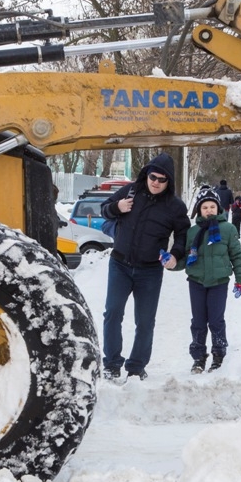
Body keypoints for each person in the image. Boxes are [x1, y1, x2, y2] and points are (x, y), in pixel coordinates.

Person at [99, 153, 189, 381]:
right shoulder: (130, 191)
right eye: (153, 176)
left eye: (162, 179)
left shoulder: (174, 206)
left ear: (169, 182)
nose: (156, 182)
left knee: (145, 321)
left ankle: (137, 367)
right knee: (112, 314)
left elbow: (183, 234)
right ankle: (111, 364)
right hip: (119, 264)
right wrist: (116, 207)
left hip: (150, 271)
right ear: (147, 174)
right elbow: (104, 209)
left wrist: (176, 255)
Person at [176, 185, 241, 373]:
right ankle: (198, 357)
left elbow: (237, 255)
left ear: (218, 208)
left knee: (216, 320)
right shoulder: (192, 232)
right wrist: (171, 263)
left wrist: (240, 279)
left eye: (212, 207)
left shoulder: (228, 229)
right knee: (198, 321)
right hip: (196, 282)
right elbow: (184, 259)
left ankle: (218, 354)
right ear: (199, 209)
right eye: (205, 207)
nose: (209, 210)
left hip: (219, 283)